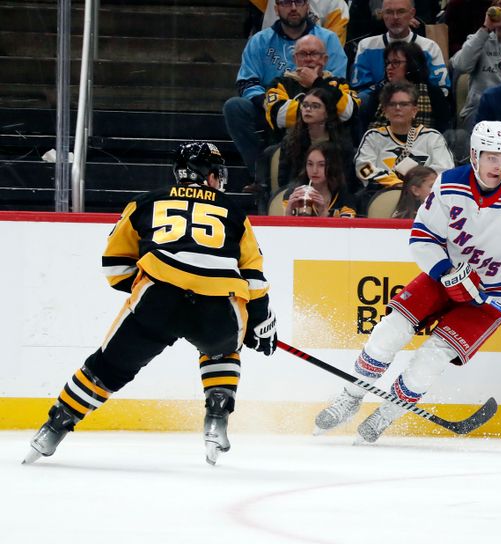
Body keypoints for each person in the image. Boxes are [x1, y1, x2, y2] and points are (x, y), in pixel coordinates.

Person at [313, 120, 501, 443]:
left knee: (432, 357)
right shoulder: (449, 184)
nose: (500, 165)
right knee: (389, 331)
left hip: (492, 296)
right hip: (444, 277)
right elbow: (422, 237)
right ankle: (350, 396)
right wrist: (446, 274)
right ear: (475, 155)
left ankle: (386, 415)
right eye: (492, 157)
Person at [23, 142, 278, 466]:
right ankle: (216, 416)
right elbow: (253, 276)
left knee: (107, 368)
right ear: (209, 175)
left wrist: (152, 285)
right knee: (222, 349)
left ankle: (52, 429)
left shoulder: (145, 203)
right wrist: (259, 320)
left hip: (157, 300)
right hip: (218, 303)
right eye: (216, 173)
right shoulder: (234, 212)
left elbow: (114, 267)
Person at [223, 1, 348, 182]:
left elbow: (338, 82)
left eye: (299, 2)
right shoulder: (259, 41)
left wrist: (312, 96)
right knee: (234, 107)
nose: (293, 8)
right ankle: (261, 176)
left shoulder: (328, 40)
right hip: (271, 106)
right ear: (276, 8)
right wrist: (273, 105)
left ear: (307, 6)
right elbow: (246, 83)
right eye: (286, 2)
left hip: (321, 108)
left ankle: (337, 178)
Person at [355, 82, 454, 205]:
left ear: (414, 110)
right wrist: (394, 183)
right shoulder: (373, 137)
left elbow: (445, 170)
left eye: (403, 104)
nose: (397, 108)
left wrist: (416, 187)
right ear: (385, 111)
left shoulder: (432, 137)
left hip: (424, 201)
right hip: (383, 197)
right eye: (392, 104)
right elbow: (363, 168)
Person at [264, 35, 359, 145]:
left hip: (333, 148)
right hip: (291, 148)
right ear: (295, 59)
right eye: (303, 54)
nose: (308, 59)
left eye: (314, 54)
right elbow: (280, 116)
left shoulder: (340, 84)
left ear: (324, 59)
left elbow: (349, 112)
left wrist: (316, 82)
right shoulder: (279, 84)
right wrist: (331, 110)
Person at [351, 0, 450, 101]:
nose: (395, 17)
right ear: (382, 15)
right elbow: (360, 88)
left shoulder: (429, 47)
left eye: (401, 11)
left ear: (412, 14)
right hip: (377, 104)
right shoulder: (366, 46)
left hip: (419, 104)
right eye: (389, 12)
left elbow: (442, 89)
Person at [450, 0, 501, 130]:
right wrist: (486, 28)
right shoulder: (480, 39)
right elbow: (460, 66)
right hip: (478, 109)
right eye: (500, 6)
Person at [358, 41, 452, 134]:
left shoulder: (433, 93)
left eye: (396, 62)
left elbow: (442, 130)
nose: (389, 67)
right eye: (388, 63)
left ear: (412, 64)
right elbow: (367, 129)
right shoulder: (379, 93)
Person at [277, 87, 357, 193]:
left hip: (335, 197)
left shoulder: (341, 143)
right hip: (297, 194)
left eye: (315, 106)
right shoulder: (291, 140)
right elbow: (284, 179)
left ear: (327, 112)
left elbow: (346, 181)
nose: (308, 109)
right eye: (305, 105)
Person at [283, 142, 358, 217]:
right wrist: (288, 212)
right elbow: (287, 227)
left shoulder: (345, 198)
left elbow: (346, 228)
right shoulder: (294, 195)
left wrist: (324, 213)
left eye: (321, 165)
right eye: (310, 164)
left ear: (332, 167)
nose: (314, 171)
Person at [258, 0, 350, 44]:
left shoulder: (336, 5)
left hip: (311, 70)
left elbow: (333, 49)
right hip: (269, 60)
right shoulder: (258, 42)